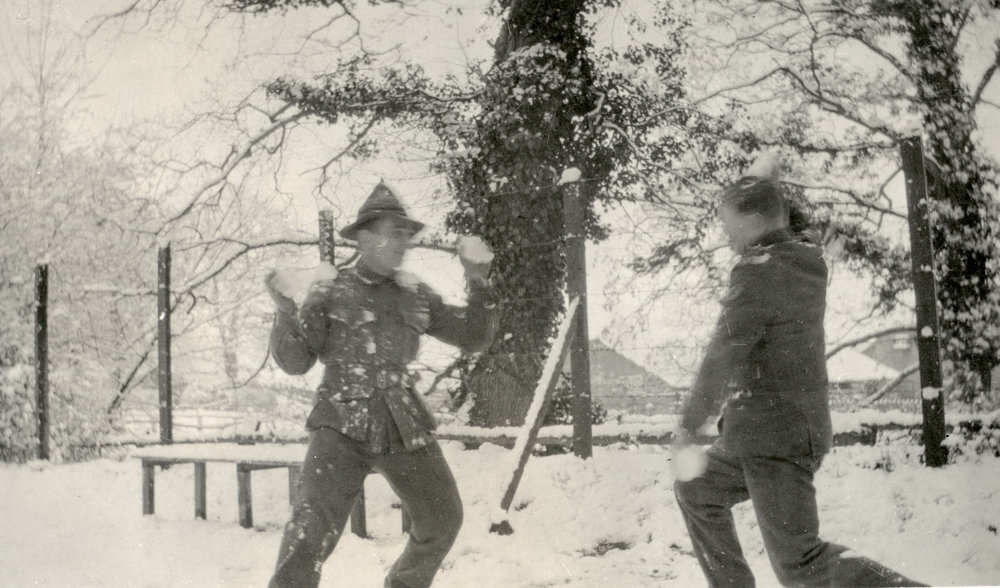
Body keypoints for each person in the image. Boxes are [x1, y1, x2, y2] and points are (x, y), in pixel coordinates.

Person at [672, 167, 928, 587]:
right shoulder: (803, 262)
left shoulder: (759, 271)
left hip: (774, 436)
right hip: (774, 430)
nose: (727, 234)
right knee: (697, 489)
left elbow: (724, 351)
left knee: (800, 564)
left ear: (754, 220)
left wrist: (689, 422)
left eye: (730, 223)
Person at [265, 181, 499, 588]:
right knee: (310, 530)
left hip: (401, 423)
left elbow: (473, 335)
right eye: (394, 233)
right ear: (365, 237)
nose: (403, 244)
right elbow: (295, 361)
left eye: (407, 235)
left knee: (442, 517)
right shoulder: (330, 289)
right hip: (339, 422)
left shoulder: (414, 293)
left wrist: (479, 281)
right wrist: (285, 312)